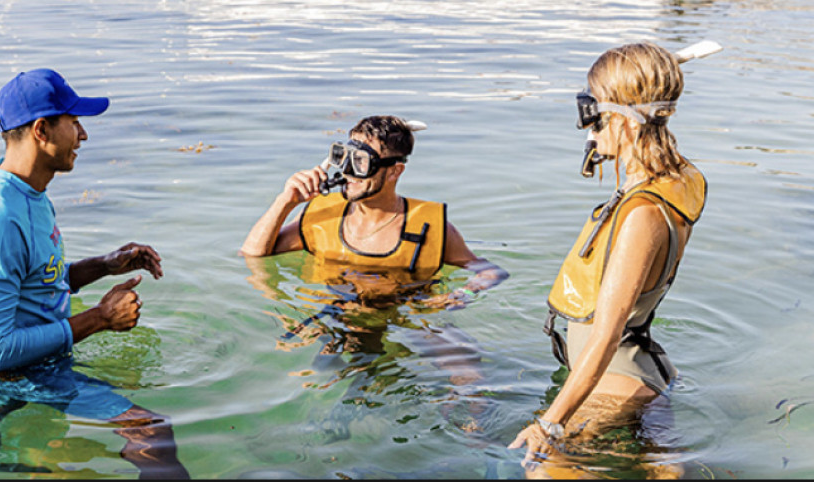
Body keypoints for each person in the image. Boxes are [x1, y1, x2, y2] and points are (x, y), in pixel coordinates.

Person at [0, 68, 189, 479]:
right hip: (16, 372)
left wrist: (104, 264)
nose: (83, 135)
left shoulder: (29, 192)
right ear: (42, 130)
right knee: (153, 435)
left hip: (37, 359)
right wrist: (100, 318)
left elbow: (37, 285)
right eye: (74, 123)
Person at [240, 115, 509, 440]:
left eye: (361, 161)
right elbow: (254, 254)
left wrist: (460, 295)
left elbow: (490, 271)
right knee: (313, 382)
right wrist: (285, 201)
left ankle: (476, 446)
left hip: (411, 315)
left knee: (468, 369)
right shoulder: (323, 215)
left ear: (395, 171)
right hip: (340, 317)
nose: (348, 172)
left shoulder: (427, 226)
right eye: (343, 157)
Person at [509, 42, 707, 478]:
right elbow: (650, 127)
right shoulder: (674, 178)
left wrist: (550, 422)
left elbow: (605, 336)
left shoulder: (644, 216)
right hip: (628, 372)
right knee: (660, 468)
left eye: (593, 113)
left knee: (543, 466)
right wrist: (643, 84)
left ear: (625, 120)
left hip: (619, 376)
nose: (586, 127)